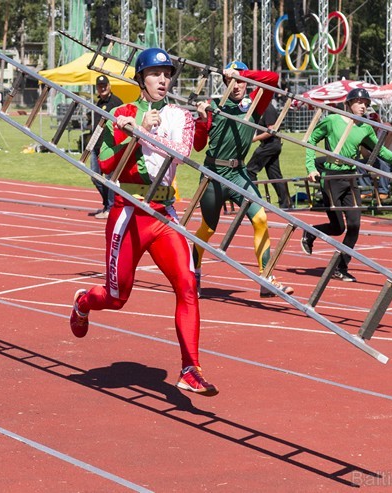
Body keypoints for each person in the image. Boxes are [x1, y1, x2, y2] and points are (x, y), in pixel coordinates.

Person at [69, 48, 218, 397]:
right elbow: (104, 165)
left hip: (164, 214)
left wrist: (204, 120)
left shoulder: (179, 115)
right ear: (140, 78)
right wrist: (132, 134)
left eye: (167, 73)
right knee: (117, 296)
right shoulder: (122, 113)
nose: (163, 80)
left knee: (187, 284)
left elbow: (191, 147)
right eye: (155, 73)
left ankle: (190, 369)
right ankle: (83, 303)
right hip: (129, 211)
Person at [192, 61, 293, 298]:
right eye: (232, 81)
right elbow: (198, 146)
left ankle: (266, 277)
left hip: (239, 174)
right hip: (213, 174)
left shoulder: (254, 105)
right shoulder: (214, 106)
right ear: (225, 82)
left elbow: (273, 78)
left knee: (260, 218)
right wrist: (200, 119)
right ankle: (193, 271)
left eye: (241, 81)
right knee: (207, 229)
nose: (237, 85)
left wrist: (243, 73)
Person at [301, 88, 392, 282]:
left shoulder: (365, 127)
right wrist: (311, 167)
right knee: (337, 227)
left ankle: (340, 267)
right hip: (331, 176)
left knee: (354, 225)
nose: (363, 107)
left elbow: (379, 150)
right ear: (348, 104)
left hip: (351, 176)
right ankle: (310, 232)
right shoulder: (333, 120)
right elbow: (311, 139)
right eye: (359, 102)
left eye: (366, 104)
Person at [245, 97, 292, 209]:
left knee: (250, 170)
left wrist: (254, 139)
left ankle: (255, 200)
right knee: (274, 175)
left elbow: (272, 130)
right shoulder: (262, 109)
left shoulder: (268, 108)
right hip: (270, 144)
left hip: (270, 144)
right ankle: (286, 203)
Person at [88, 75, 123, 219]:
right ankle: (108, 204)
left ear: (109, 86)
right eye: (99, 86)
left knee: (109, 178)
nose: (102, 88)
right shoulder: (98, 103)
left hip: (109, 146)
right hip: (95, 145)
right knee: (95, 177)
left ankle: (110, 208)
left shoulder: (116, 102)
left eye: (104, 85)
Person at [357, 108, 392, 200]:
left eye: (375, 122)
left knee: (382, 162)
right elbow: (366, 156)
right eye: (371, 123)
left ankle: (383, 191)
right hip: (380, 160)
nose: (373, 125)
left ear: (379, 122)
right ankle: (366, 191)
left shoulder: (385, 127)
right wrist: (363, 142)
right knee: (360, 164)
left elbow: (385, 148)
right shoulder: (369, 134)